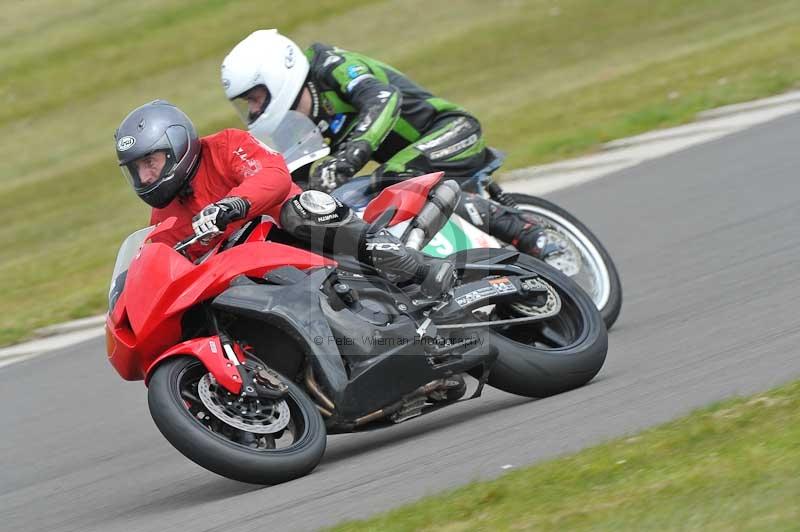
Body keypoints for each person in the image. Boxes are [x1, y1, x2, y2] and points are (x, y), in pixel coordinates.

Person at [220, 29, 554, 259]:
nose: (252, 110)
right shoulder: (293, 123)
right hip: (407, 163)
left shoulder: (332, 65)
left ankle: (530, 234)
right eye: (246, 102)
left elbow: (383, 100)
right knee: (370, 195)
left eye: (255, 97)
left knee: (395, 177)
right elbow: (294, 179)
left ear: (278, 74)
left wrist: (348, 158)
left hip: (451, 131)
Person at [113, 99, 454, 297]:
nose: (144, 177)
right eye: (136, 169)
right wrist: (131, 286)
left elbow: (273, 174)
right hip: (260, 278)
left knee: (300, 211)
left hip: (293, 236)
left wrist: (235, 204)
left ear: (176, 146)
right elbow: (161, 255)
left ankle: (418, 267)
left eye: (150, 162)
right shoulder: (165, 214)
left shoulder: (225, 145)